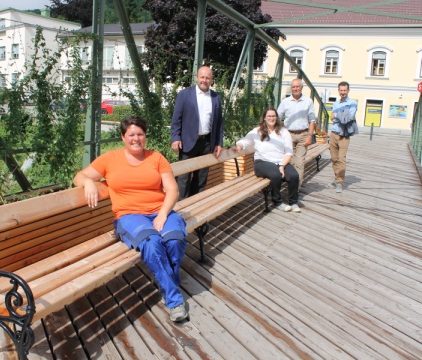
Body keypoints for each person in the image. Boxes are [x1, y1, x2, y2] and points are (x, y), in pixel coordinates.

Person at [73, 117, 189, 322]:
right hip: (129, 216)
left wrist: (162, 214)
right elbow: (79, 176)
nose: (136, 138)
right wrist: (89, 182)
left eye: (140, 134)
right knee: (151, 243)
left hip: (160, 211)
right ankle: (174, 299)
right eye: (131, 135)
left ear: (145, 136)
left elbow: (172, 189)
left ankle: (168, 281)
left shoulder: (157, 158)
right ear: (123, 137)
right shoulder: (110, 159)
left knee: (175, 239)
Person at [171, 65, 224, 200]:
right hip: (187, 142)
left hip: (207, 143)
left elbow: (219, 122)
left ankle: (196, 206)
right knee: (184, 178)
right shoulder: (184, 94)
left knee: (201, 178)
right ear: (197, 78)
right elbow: (176, 119)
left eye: (207, 78)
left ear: (211, 79)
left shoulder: (215, 97)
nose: (204, 80)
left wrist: (218, 143)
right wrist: (175, 138)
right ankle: (181, 209)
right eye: (202, 77)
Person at [233, 107, 301, 212]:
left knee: (294, 175)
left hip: (280, 161)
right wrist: (239, 146)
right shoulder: (257, 131)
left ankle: (293, 202)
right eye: (269, 116)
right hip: (262, 162)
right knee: (275, 174)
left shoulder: (283, 131)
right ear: (264, 118)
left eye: (273, 116)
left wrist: (282, 165)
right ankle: (277, 202)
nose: (271, 118)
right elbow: (245, 140)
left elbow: (288, 152)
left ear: (277, 117)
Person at [277, 78, 316, 190]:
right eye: (293, 87)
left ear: (301, 87)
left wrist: (310, 136)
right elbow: (277, 117)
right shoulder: (285, 102)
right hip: (288, 135)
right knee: (290, 161)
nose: (295, 89)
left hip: (303, 135)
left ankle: (295, 189)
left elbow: (312, 120)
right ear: (291, 88)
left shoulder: (308, 101)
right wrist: (281, 130)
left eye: (297, 86)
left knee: (299, 162)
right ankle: (291, 183)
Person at [328, 81, 358, 193]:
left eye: (345, 90)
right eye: (341, 90)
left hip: (344, 135)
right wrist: (338, 116)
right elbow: (332, 117)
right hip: (334, 133)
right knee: (334, 159)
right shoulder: (336, 103)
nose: (343, 92)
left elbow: (349, 118)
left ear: (348, 90)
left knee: (341, 159)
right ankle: (336, 178)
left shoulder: (353, 103)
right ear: (338, 91)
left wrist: (336, 115)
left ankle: (340, 182)